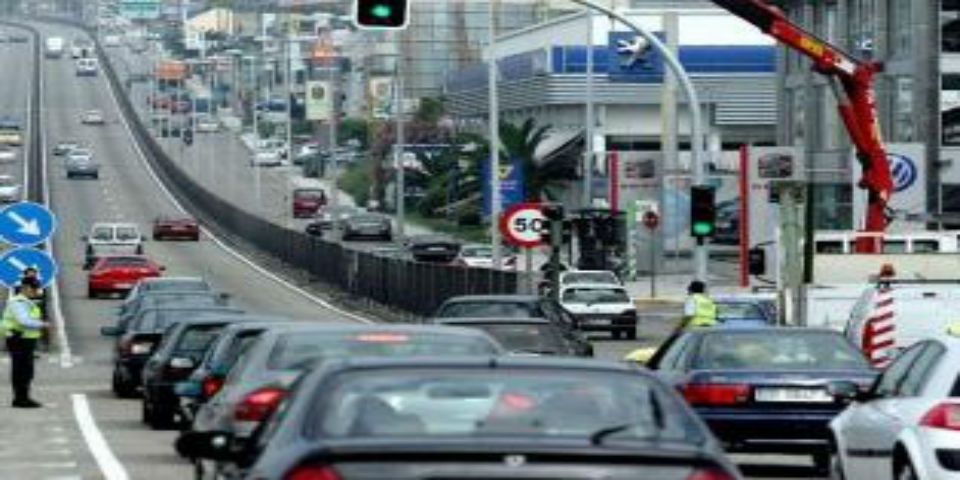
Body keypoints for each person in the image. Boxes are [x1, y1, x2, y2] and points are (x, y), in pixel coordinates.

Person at [2, 278, 47, 408]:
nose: (36, 291)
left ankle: (23, 397)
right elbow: (24, 321)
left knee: (26, 370)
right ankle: (21, 399)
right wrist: (43, 324)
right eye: (34, 288)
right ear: (26, 288)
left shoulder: (26, 302)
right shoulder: (18, 302)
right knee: (22, 370)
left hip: (24, 339)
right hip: (19, 339)